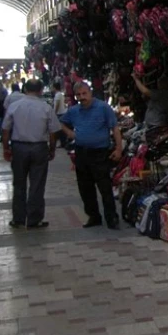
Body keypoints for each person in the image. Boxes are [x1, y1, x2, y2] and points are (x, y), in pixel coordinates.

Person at [59, 81, 123, 229]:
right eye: (79, 95)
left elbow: (115, 128)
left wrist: (118, 149)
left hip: (100, 153)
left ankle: (111, 217)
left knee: (105, 187)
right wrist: (71, 134)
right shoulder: (74, 111)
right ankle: (94, 216)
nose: (82, 97)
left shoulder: (103, 107)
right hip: (82, 153)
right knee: (85, 188)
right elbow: (61, 123)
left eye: (84, 93)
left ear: (90, 93)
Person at [0, 79, 60, 229]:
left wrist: (6, 148)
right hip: (39, 148)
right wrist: (52, 149)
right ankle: (34, 220)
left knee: (19, 184)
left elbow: (6, 129)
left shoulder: (14, 106)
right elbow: (53, 132)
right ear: (40, 90)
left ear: (25, 89)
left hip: (19, 148)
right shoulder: (46, 108)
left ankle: (18, 219)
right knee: (37, 184)